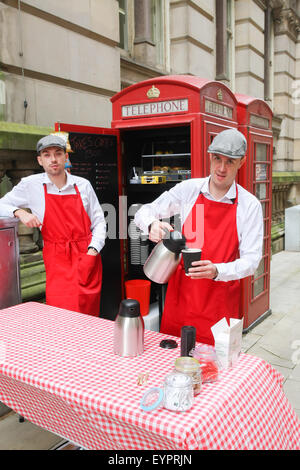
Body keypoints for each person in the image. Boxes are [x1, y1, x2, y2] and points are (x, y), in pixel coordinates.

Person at [134, 128, 264, 345]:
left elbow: (251, 261)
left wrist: (217, 270)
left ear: (242, 162)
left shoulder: (249, 205)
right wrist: (152, 224)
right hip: (181, 297)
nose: (221, 168)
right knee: (171, 362)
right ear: (209, 157)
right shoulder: (189, 190)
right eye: (217, 159)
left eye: (230, 161)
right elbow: (143, 211)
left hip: (219, 301)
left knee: (216, 369)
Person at [0, 134, 106, 316]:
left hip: (85, 254)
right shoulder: (30, 185)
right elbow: (2, 204)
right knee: (59, 313)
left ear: (66, 157)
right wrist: (20, 212)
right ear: (40, 160)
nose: (53, 159)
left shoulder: (83, 185)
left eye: (58, 153)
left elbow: (99, 222)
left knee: (88, 313)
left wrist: (92, 250)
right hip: (57, 259)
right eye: (47, 155)